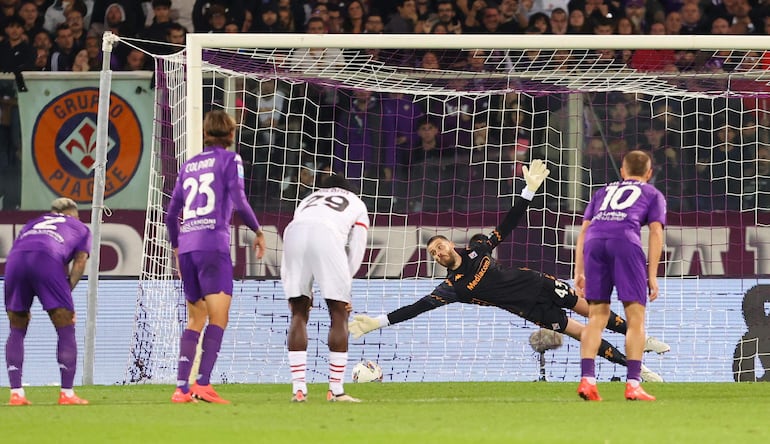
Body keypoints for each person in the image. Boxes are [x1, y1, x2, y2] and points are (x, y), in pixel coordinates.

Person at [349, 163, 668, 382]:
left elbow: (508, 224)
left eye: (441, 245)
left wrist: (528, 190)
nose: (439, 252)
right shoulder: (452, 288)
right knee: (584, 334)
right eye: (433, 253)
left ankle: (642, 339)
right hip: (532, 309)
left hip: (540, 285)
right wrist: (376, 322)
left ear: (450, 243)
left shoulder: (477, 246)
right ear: (435, 259)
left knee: (594, 312)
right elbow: (415, 309)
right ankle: (636, 371)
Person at [165, 110, 266, 404]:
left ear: (205, 133)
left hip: (188, 246)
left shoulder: (189, 165)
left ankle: (182, 388)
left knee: (195, 318)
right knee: (219, 316)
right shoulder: (231, 160)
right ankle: (204, 383)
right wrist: (258, 230)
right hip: (212, 245)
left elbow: (172, 215)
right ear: (231, 134)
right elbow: (239, 199)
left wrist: (176, 246)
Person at [575, 150, 666, 402]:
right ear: (649, 173)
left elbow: (584, 231)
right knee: (635, 319)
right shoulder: (652, 193)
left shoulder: (602, 191)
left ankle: (587, 380)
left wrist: (578, 270)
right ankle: (634, 383)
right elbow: (656, 233)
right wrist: (653, 275)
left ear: (623, 172)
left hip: (594, 243)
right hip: (625, 242)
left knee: (597, 316)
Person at [281, 173, 370, 403]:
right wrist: (345, 285)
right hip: (328, 235)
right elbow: (357, 249)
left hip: (293, 232)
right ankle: (336, 390)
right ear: (348, 189)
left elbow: (295, 239)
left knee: (299, 312)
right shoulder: (356, 203)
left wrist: (292, 290)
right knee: (338, 313)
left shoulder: (307, 200)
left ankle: (299, 389)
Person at [4, 197, 91, 406]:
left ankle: (16, 393)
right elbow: (80, 263)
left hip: (15, 261)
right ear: (74, 213)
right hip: (47, 259)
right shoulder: (79, 227)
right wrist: (66, 294)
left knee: (16, 327)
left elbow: (20, 248)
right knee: (65, 327)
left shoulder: (32, 224)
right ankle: (67, 394)